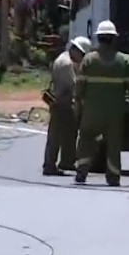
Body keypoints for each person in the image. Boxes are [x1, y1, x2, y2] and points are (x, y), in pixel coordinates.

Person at [73, 21, 129, 186]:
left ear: (98, 38)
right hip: (114, 113)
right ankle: (113, 176)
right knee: (114, 144)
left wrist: (78, 107)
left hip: (92, 112)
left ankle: (82, 170)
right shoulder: (125, 61)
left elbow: (79, 87)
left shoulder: (88, 60)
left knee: (86, 139)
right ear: (114, 39)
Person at [42, 36, 91, 176]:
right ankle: (50, 165)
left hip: (61, 100)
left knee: (68, 132)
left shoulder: (63, 57)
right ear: (77, 51)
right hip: (61, 101)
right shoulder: (67, 64)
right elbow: (74, 85)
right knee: (56, 135)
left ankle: (67, 161)